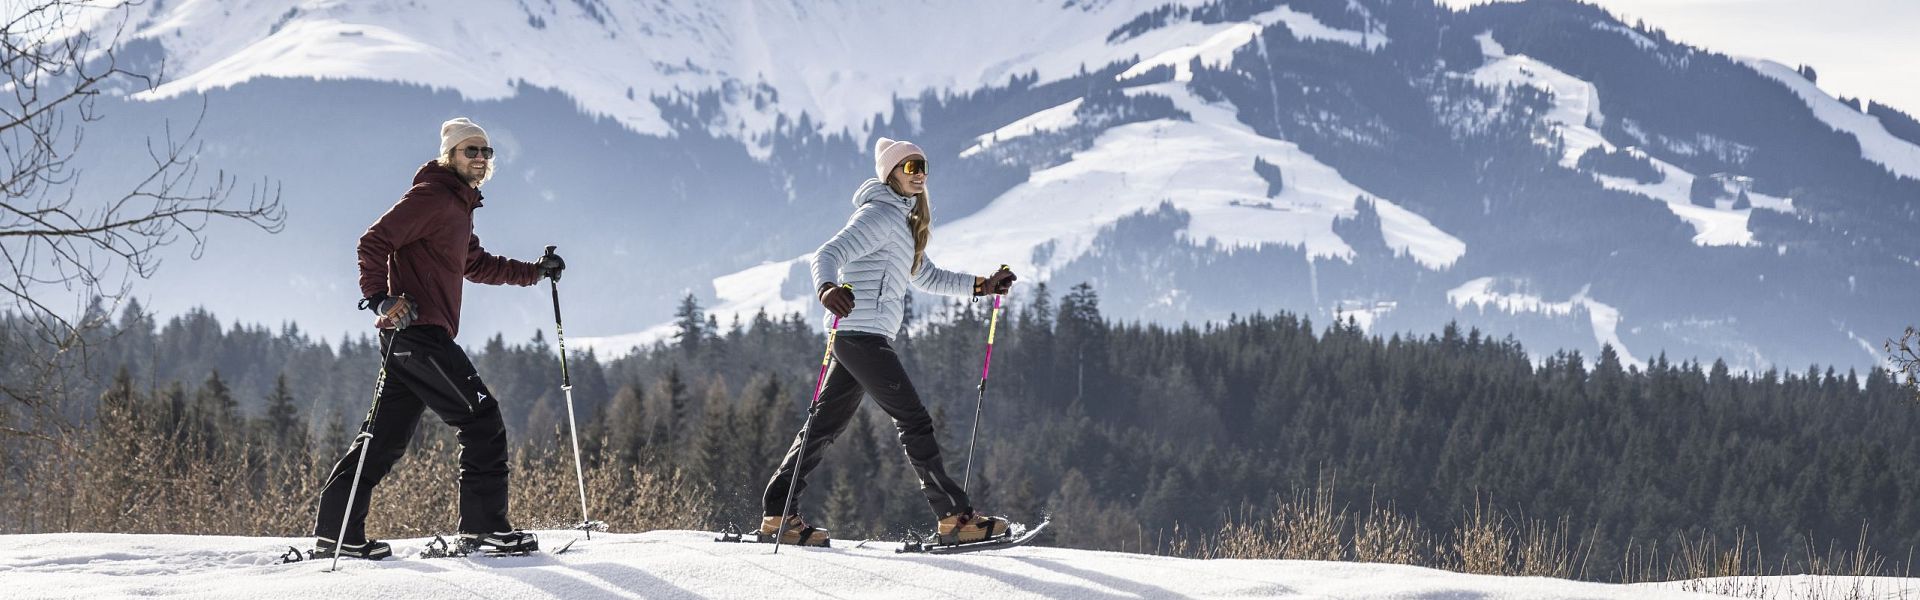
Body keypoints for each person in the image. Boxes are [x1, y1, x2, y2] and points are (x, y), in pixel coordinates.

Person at [311, 117, 565, 559]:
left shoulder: (458, 206)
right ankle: (484, 531)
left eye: (486, 152)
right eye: (472, 150)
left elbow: (476, 263)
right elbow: (372, 242)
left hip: (411, 339)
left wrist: (535, 273)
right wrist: (380, 299)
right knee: (481, 419)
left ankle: (337, 535)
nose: (481, 158)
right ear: (450, 155)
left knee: (383, 439)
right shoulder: (432, 197)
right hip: (417, 335)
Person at [760, 137, 1019, 546]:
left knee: (824, 426)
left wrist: (982, 285)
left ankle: (778, 514)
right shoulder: (878, 215)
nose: (920, 175)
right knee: (913, 419)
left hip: (861, 337)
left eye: (923, 166)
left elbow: (926, 276)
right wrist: (827, 289)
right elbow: (825, 253)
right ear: (891, 173)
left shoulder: (903, 223)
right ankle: (954, 517)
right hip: (860, 335)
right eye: (910, 167)